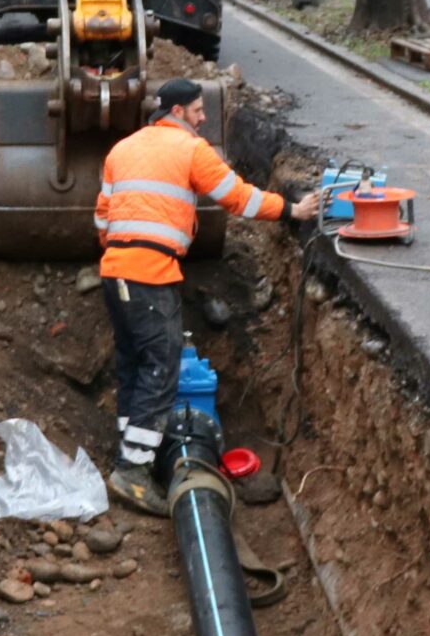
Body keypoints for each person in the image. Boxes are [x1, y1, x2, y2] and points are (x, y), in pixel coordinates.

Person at [96, 78, 320, 512]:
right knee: (161, 370)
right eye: (197, 110)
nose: (203, 118)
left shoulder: (122, 149)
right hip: (151, 273)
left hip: (115, 273)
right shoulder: (191, 149)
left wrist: (122, 255)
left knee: (134, 367)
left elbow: (102, 217)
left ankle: (130, 451)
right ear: (177, 112)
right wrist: (290, 209)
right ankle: (132, 472)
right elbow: (235, 198)